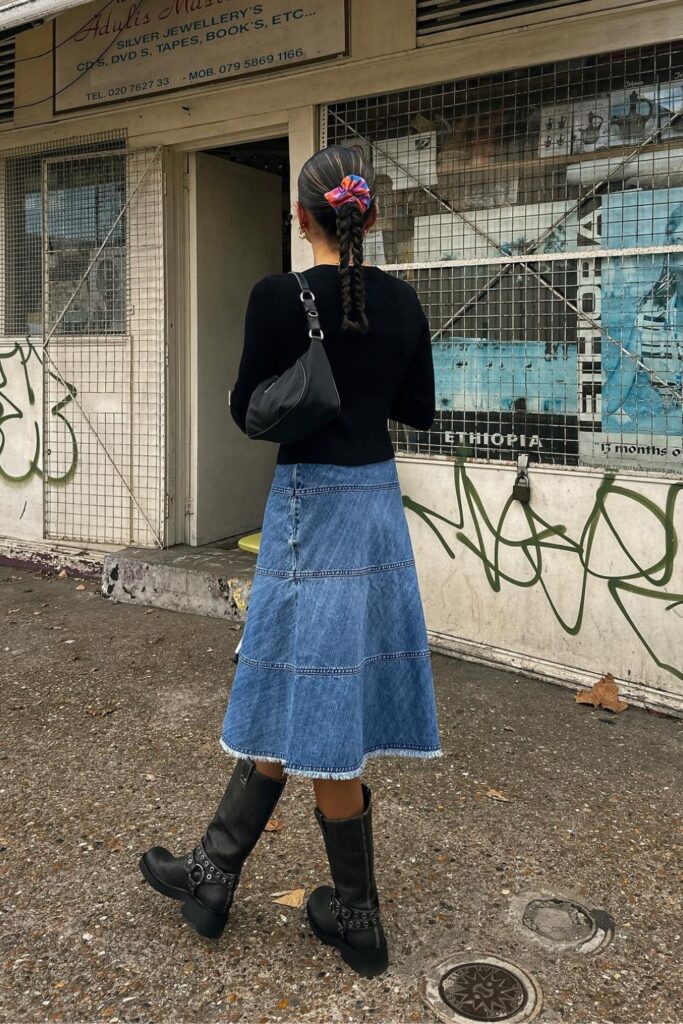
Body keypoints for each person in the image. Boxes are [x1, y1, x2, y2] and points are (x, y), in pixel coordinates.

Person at [139, 145, 442, 979]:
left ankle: (356, 917)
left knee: (315, 699)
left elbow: (247, 411)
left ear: (300, 216)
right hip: (374, 509)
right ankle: (212, 876)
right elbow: (415, 409)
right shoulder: (406, 302)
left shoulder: (277, 297)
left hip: (312, 509)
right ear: (368, 218)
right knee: (300, 686)